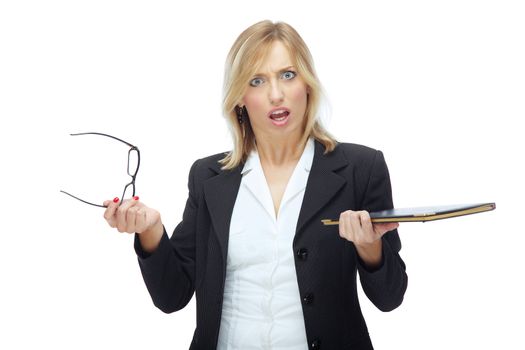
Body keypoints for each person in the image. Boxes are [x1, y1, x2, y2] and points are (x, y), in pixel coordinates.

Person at [103, 20, 408, 350]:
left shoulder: (360, 169)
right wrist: (151, 231)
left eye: (287, 75)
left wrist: (369, 247)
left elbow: (390, 297)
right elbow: (172, 296)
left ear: (307, 83)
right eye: (257, 80)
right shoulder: (207, 177)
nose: (276, 94)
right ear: (240, 99)